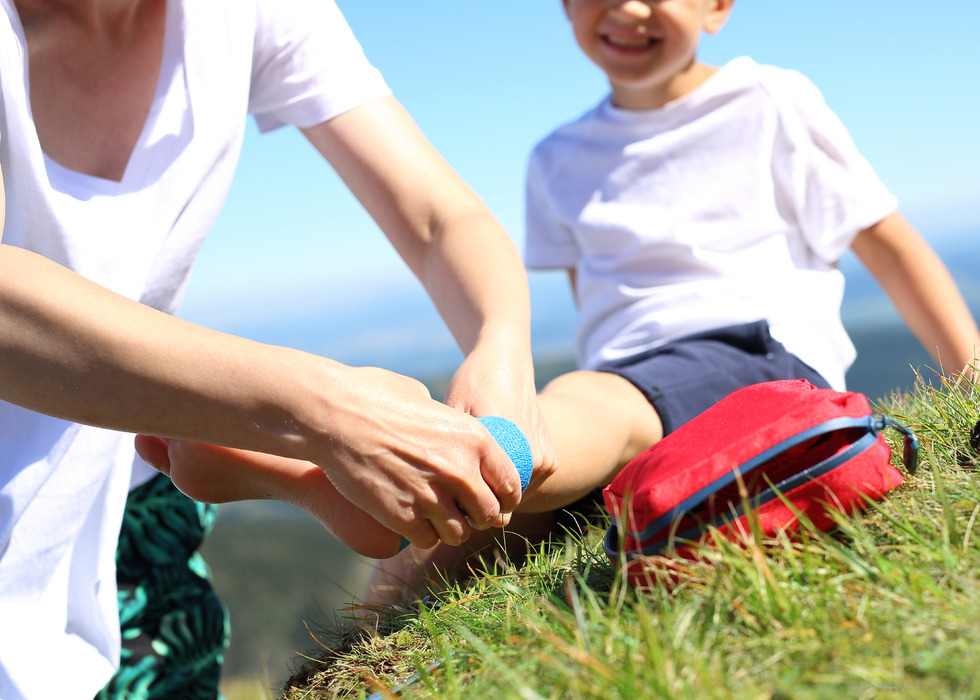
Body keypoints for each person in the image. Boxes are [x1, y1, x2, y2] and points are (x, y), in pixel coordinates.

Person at [0, 0, 553, 698]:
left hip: (126, 519)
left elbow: (437, 217)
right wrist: (325, 414)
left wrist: (502, 349)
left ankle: (210, 444)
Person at [349, 0, 980, 604]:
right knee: (443, 552)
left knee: (542, 440)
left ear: (717, 7)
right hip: (623, 385)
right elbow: (600, 309)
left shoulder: (770, 102)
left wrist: (970, 376)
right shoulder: (555, 160)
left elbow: (888, 245)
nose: (628, 8)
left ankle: (486, 445)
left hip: (757, 358)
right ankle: (348, 662)